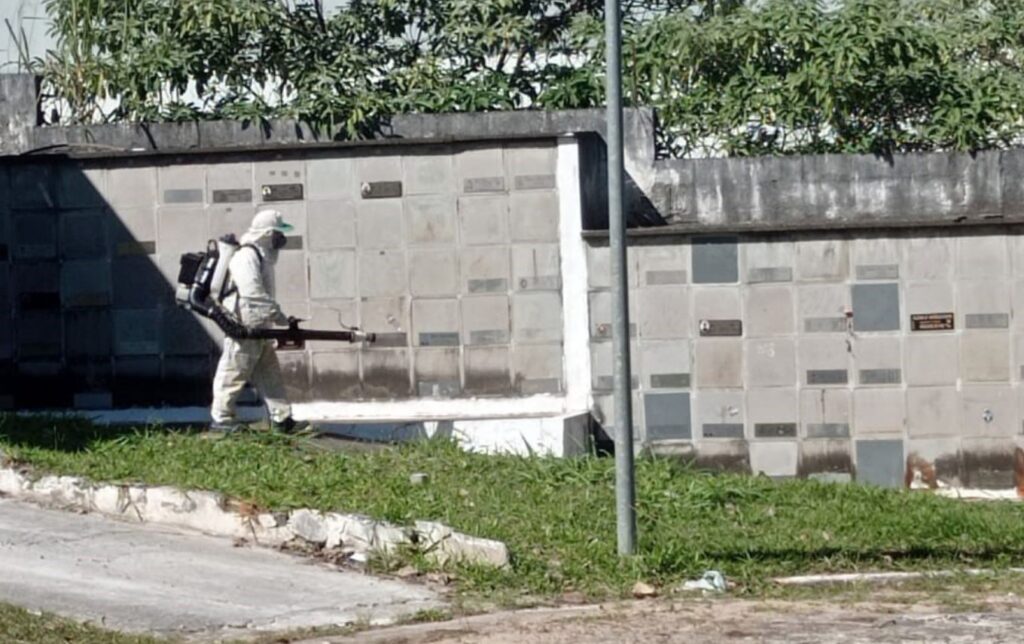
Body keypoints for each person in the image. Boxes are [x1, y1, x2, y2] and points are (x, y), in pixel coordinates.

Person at [210, 208, 308, 433]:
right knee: (234, 371)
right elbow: (252, 292)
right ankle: (221, 420)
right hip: (244, 325)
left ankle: (282, 418)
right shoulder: (246, 256)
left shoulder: (262, 257)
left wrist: (274, 318)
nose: (280, 241)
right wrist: (278, 316)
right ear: (266, 234)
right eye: (278, 234)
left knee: (269, 373)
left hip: (260, 326)